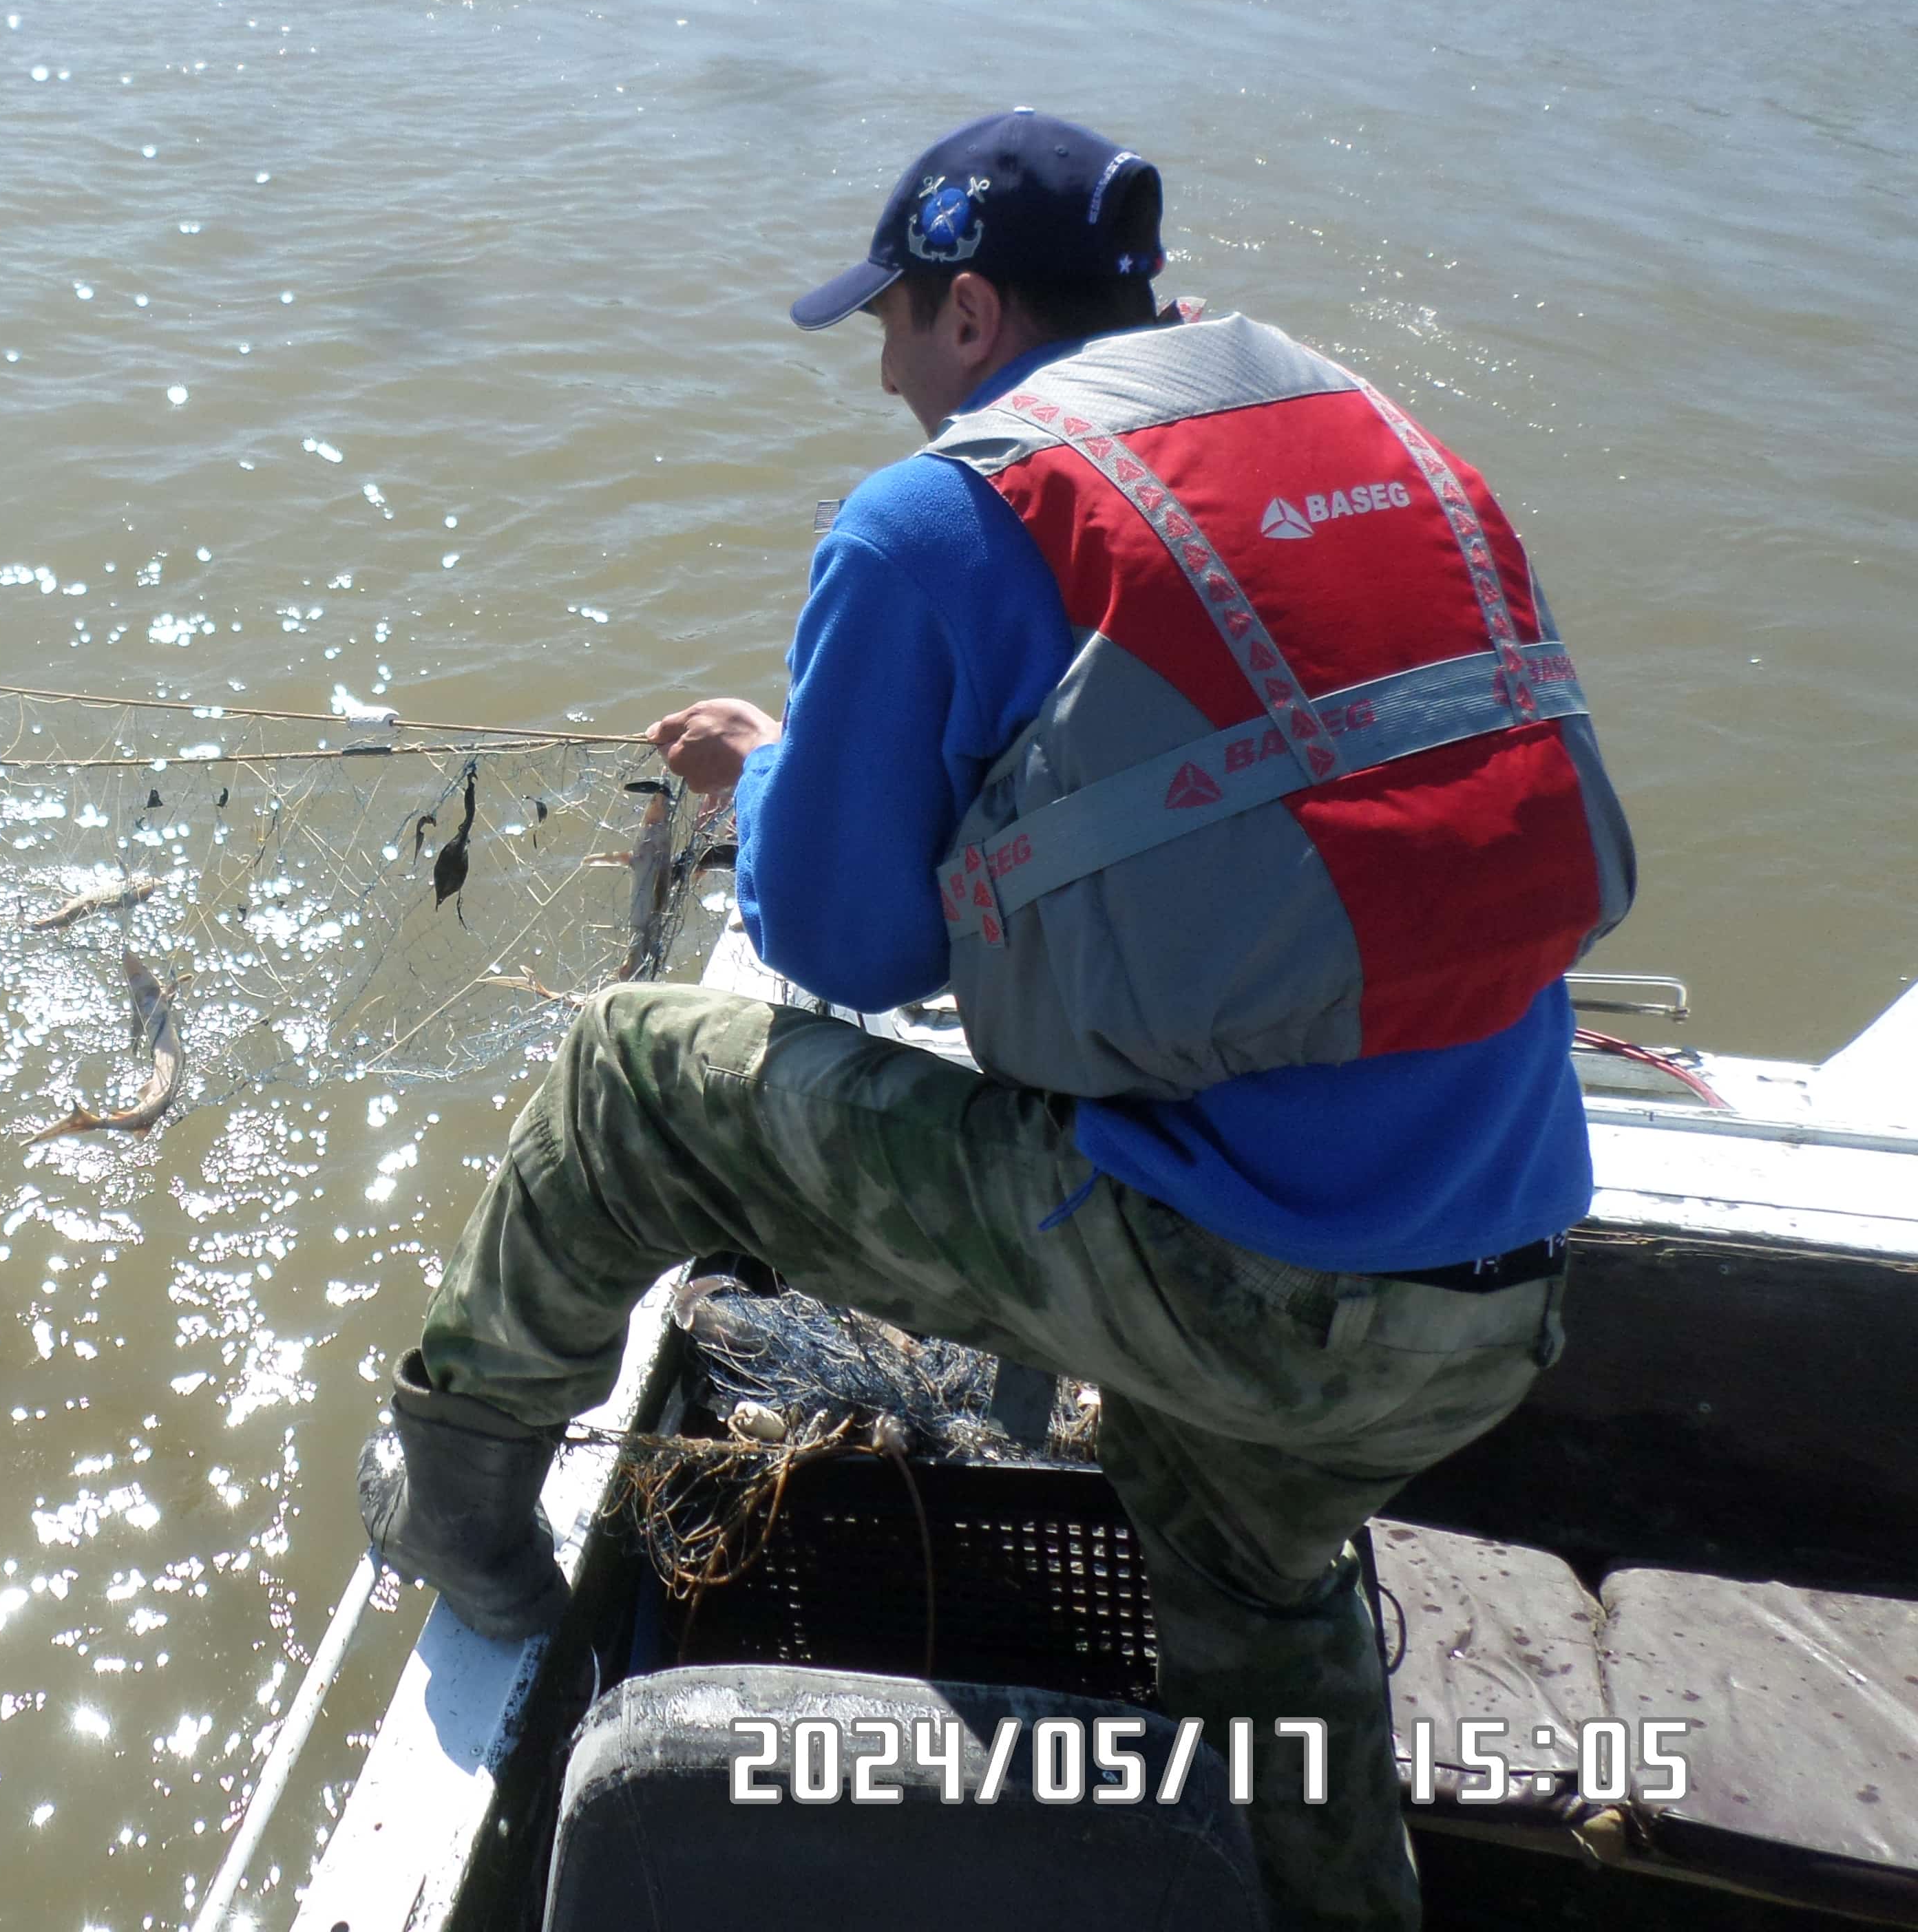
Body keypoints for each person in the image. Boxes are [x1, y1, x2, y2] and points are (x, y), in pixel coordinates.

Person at [355, 110, 1633, 1932]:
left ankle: (456, 1498)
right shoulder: (1369, 437)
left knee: (632, 1074)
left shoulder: (943, 511)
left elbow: (844, 943)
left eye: (887, 324)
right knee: (1246, 1574)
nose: (884, 375)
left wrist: (788, 770)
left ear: (967, 311)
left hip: (1245, 1296)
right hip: (1499, 1288)